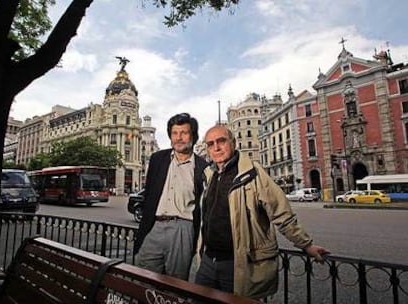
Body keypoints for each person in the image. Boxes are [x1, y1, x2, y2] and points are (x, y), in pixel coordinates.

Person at [194, 125, 329, 299]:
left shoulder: (253, 173)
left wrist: (306, 244)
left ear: (233, 143)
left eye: (221, 141)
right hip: (208, 261)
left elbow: (281, 213)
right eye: (211, 144)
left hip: (237, 264)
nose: (216, 148)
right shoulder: (209, 175)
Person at [133, 113, 208, 280]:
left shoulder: (203, 168)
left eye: (184, 133)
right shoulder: (157, 159)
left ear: (193, 136)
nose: (179, 138)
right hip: (154, 226)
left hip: (183, 228)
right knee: (143, 279)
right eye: (174, 133)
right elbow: (150, 192)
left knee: (175, 282)